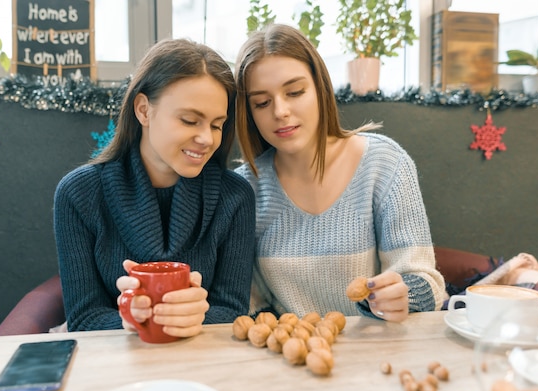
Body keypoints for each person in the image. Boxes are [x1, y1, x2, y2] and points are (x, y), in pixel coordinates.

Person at [233, 24, 445, 323]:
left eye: (295, 92)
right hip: (288, 355)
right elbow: (249, 301)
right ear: (249, 112)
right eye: (262, 102)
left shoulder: (384, 164)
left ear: (320, 89)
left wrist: (404, 296)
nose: (280, 111)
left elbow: (427, 282)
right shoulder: (245, 190)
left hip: (378, 350)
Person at [53, 38, 255, 338]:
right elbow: (84, 317)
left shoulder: (235, 196)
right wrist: (132, 318)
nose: (207, 139)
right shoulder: (79, 194)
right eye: (189, 120)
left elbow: (232, 310)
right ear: (144, 110)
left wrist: (195, 316)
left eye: (216, 125)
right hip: (114, 362)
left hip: (203, 360)